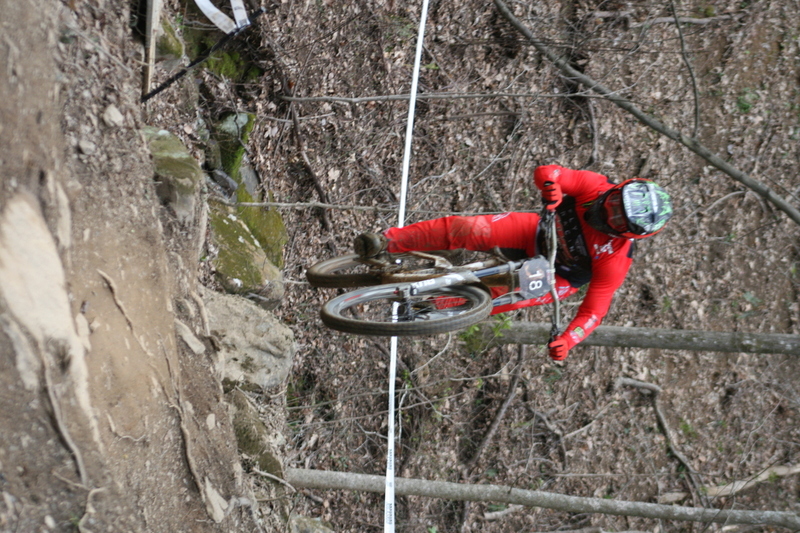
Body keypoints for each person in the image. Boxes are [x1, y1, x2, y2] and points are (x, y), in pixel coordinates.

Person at [354, 164, 673, 361]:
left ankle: (426, 310)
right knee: (467, 229)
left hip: (556, 274)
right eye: (615, 201)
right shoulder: (594, 186)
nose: (608, 211)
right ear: (618, 189)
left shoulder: (615, 259)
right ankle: (387, 242)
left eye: (617, 216)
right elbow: (550, 171)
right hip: (536, 231)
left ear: (628, 233)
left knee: (487, 295)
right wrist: (551, 185)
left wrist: (568, 339)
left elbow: (593, 311)